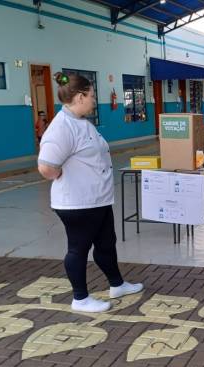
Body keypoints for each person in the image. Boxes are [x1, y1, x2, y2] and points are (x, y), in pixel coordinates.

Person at [38, 72, 143, 313]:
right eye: (92, 95)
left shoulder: (82, 122)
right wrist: (59, 175)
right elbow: (45, 166)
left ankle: (117, 284)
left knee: (106, 243)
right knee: (79, 248)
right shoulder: (62, 127)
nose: (95, 100)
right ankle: (80, 298)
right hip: (78, 204)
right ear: (79, 96)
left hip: (97, 200)